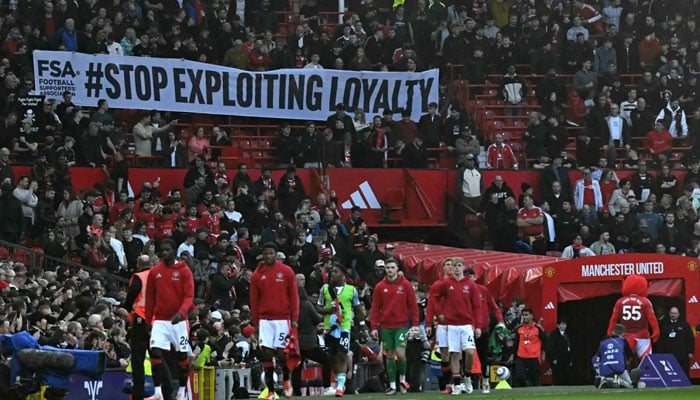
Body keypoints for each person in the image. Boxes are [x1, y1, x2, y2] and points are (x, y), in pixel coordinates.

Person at [145, 240, 194, 400]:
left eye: (167, 250)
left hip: (179, 322)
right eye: (162, 250)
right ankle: (158, 392)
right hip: (160, 320)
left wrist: (181, 312)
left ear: (174, 251)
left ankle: (181, 389)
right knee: (155, 352)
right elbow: (150, 298)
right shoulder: (155, 271)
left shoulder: (184, 271)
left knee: (181, 356)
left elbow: (189, 296)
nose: (164, 252)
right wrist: (148, 320)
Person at [250, 242, 300, 400]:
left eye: (271, 253)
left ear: (276, 254)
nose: (269, 256)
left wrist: (294, 319)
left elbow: (294, 297)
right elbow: (254, 300)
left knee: (281, 354)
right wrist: (256, 322)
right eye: (266, 254)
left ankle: (286, 380)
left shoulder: (286, 271)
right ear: (262, 255)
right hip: (265, 320)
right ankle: (271, 391)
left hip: (282, 319)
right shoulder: (257, 274)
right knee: (266, 353)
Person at [427, 257, 481, 395]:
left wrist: (478, 325)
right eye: (454, 265)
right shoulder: (446, 284)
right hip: (451, 324)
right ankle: (456, 385)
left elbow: (476, 306)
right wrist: (439, 313)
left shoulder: (471, 285)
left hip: (466, 324)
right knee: (454, 354)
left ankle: (467, 377)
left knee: (469, 352)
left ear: (463, 267)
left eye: (458, 265)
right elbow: (435, 298)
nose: (456, 268)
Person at [370, 259, 419, 394]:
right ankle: (392, 385)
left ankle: (402, 379)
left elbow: (413, 306)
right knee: (390, 355)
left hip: (401, 325)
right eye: (388, 267)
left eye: (392, 267)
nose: (390, 270)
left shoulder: (405, 285)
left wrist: (415, 325)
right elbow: (375, 308)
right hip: (385, 326)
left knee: (401, 353)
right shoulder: (380, 286)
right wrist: (374, 327)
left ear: (397, 269)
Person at [317, 264, 367, 397]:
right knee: (332, 357)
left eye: (335, 271)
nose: (332, 274)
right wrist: (328, 310)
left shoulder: (352, 290)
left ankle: (340, 386)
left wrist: (362, 327)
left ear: (343, 275)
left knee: (342, 354)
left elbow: (357, 309)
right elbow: (318, 307)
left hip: (344, 328)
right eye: (331, 272)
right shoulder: (325, 289)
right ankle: (340, 380)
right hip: (329, 328)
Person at [466, 267, 504, 394]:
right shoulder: (462, 292)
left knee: (483, 356)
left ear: (474, 277)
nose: (468, 279)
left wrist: (501, 323)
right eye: (466, 277)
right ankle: (467, 381)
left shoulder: (483, 290)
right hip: (467, 329)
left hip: (483, 329)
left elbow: (495, 308)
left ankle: (485, 381)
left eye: (470, 276)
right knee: (466, 355)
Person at [607, 274, 660, 359]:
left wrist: (609, 332)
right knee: (647, 361)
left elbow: (613, 319)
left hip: (625, 335)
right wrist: (656, 331)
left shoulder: (620, 302)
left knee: (622, 360)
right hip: (642, 335)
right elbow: (652, 318)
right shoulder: (646, 302)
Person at [122, 255, 152, 400]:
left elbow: (131, 295)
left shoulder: (139, 277)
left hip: (141, 319)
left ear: (139, 265)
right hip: (156, 322)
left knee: (138, 359)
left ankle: (138, 395)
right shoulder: (158, 277)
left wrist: (127, 308)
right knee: (158, 359)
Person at [425, 258, 455, 393]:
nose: (450, 267)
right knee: (444, 354)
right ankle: (445, 381)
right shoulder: (437, 285)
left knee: (457, 353)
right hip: (442, 324)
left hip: (457, 323)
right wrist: (428, 323)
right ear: (443, 268)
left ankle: (455, 381)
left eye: (452, 265)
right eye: (447, 265)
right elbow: (431, 304)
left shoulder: (459, 284)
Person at [509, 307, 546, 387]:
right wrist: (512, 355)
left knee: (535, 379)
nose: (524, 317)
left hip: (534, 357)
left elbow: (546, 341)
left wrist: (543, 353)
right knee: (520, 376)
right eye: (523, 315)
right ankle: (525, 390)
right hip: (521, 357)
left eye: (526, 315)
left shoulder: (538, 328)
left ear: (531, 316)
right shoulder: (519, 328)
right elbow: (516, 343)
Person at [656, 306, 694, 376]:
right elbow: (660, 340)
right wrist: (660, 352)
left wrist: (691, 351)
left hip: (682, 355)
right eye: (672, 313)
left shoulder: (685, 325)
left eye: (675, 313)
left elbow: (690, 339)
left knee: (683, 373)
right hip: (668, 354)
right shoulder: (664, 325)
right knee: (669, 374)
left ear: (678, 314)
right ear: (669, 314)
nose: (673, 315)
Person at [596, 324, 635, 388]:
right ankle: (618, 381)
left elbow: (598, 357)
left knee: (607, 374)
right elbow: (630, 356)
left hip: (605, 368)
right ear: (623, 333)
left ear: (612, 332)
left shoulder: (603, 343)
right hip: (619, 367)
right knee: (630, 385)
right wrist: (627, 364)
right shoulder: (623, 341)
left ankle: (607, 380)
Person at [548, 320, 573, 385]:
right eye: (562, 324)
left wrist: (571, 360)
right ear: (558, 325)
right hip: (558, 358)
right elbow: (551, 348)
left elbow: (570, 347)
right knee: (557, 375)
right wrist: (553, 358)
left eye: (565, 324)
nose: (564, 326)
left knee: (566, 374)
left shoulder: (567, 335)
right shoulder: (553, 335)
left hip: (566, 358)